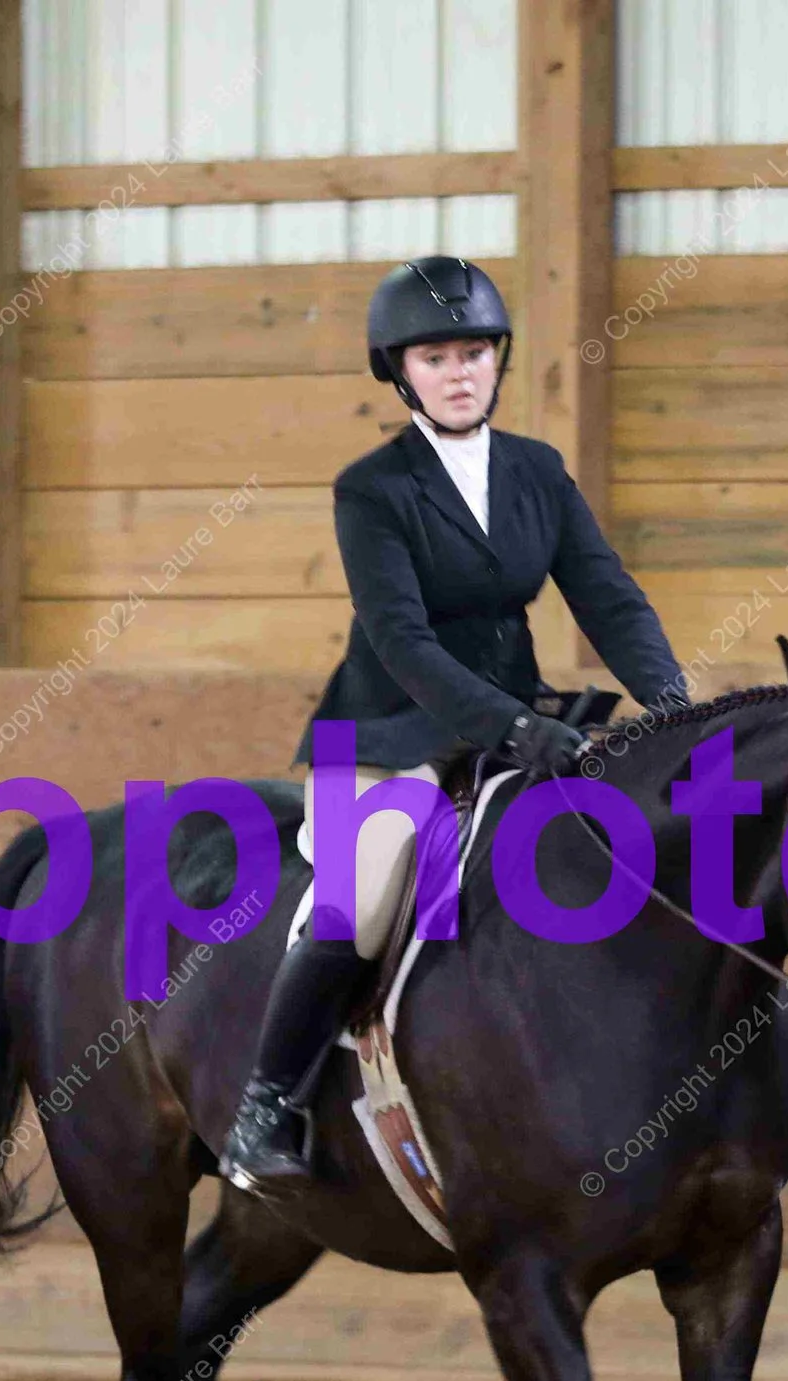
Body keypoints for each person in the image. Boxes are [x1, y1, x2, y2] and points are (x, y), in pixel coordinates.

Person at [221, 255, 692, 1187]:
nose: (460, 372)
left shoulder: (536, 472)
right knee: (364, 895)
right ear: (400, 373)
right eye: (435, 357)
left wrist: (673, 701)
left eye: (474, 352)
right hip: (388, 733)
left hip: (519, 723)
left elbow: (608, 596)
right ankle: (263, 1107)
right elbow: (401, 641)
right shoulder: (372, 489)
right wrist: (513, 729)